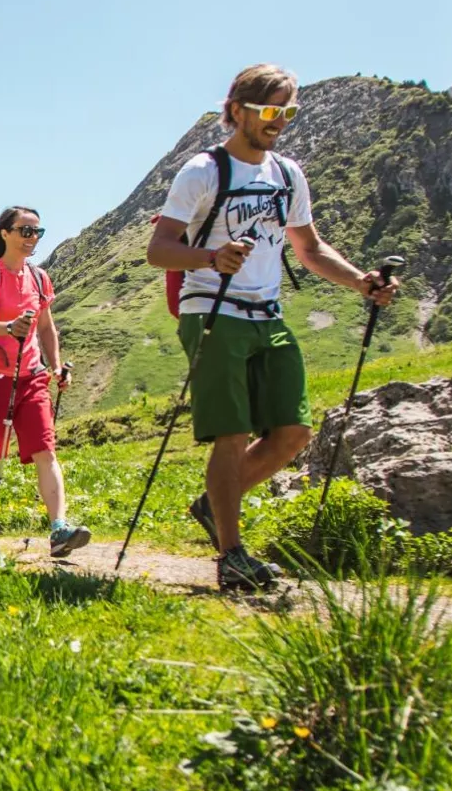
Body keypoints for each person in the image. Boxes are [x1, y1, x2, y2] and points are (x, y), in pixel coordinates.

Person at [147, 63, 399, 591]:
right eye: (268, 109)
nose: (278, 120)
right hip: (212, 312)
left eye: (288, 110)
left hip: (268, 314)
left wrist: (361, 282)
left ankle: (215, 506)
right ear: (237, 110)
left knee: (292, 432)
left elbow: (309, 248)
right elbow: (159, 249)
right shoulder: (203, 171)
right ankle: (232, 555)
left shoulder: (287, 174)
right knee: (233, 435)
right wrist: (212, 257)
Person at [0, 207, 90, 557]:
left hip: (31, 376)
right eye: (25, 231)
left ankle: (59, 528)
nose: (32, 238)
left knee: (45, 450)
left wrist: (57, 366)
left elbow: (46, 328)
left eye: (37, 232)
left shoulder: (38, 277)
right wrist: (7, 327)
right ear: (5, 233)